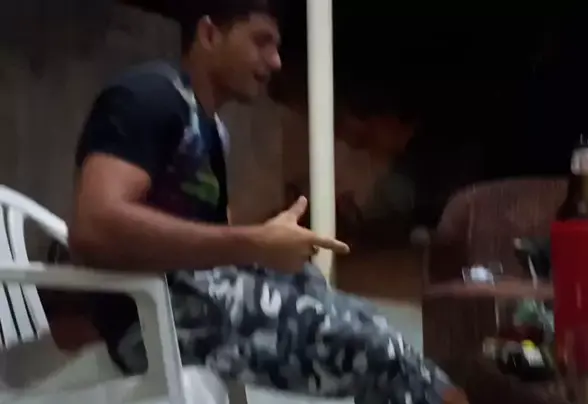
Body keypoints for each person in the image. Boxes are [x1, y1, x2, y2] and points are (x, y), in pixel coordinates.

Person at [68, 1, 466, 403]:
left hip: (197, 296)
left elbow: (209, 236)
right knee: (379, 351)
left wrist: (269, 246)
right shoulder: (148, 97)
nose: (275, 61)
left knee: (366, 320)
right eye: (260, 42)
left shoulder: (210, 127)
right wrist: (254, 243)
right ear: (209, 34)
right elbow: (94, 226)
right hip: (153, 320)